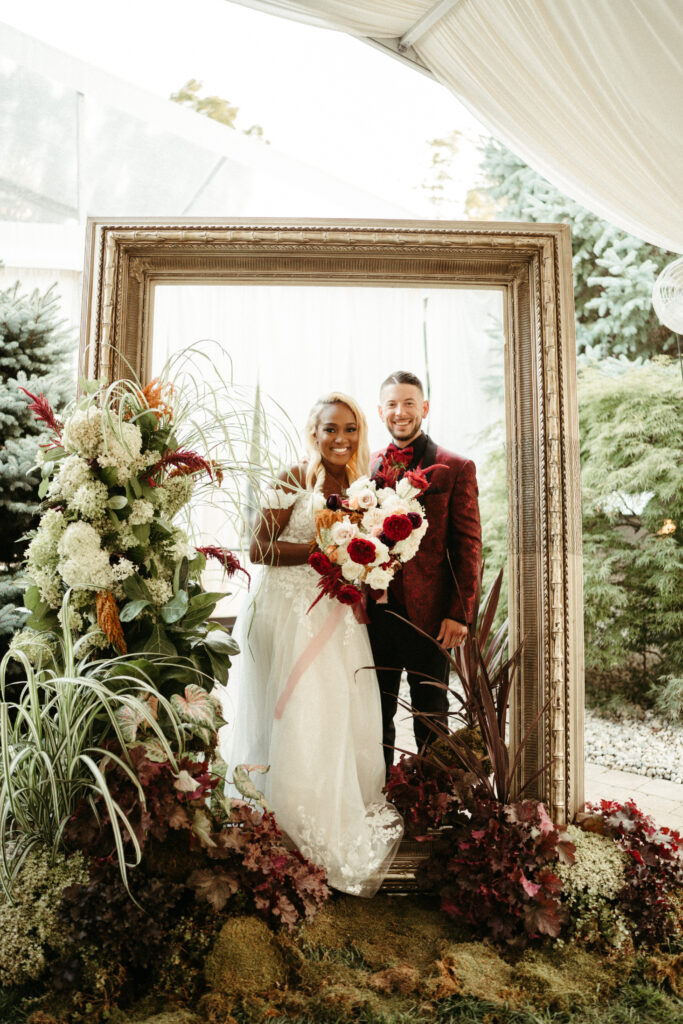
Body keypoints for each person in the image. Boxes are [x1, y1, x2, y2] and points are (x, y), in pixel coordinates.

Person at [219, 391, 403, 896]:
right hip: (289, 612)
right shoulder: (294, 477)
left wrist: (366, 562)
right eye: (330, 429)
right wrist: (321, 550)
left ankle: (324, 810)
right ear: (314, 432)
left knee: (336, 711)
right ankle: (283, 820)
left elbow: (366, 556)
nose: (339, 439)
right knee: (298, 708)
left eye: (349, 429)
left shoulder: (365, 487)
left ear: (359, 433)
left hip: (338, 617)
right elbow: (257, 546)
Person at [368, 370, 482, 776]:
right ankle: (378, 796)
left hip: (431, 617)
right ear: (381, 410)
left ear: (425, 408)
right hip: (374, 615)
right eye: (392, 404)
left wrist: (460, 613)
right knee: (373, 713)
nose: (401, 412)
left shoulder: (455, 466)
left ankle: (436, 802)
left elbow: (468, 546)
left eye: (409, 403)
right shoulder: (368, 466)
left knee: (431, 715)